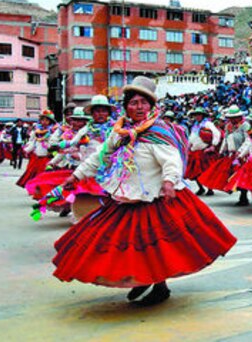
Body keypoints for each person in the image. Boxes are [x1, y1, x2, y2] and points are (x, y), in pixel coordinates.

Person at [54, 76, 236, 305]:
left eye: (143, 102)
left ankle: (158, 286)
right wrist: (76, 175)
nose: (139, 107)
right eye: (134, 103)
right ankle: (143, 279)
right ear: (126, 106)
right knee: (126, 245)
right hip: (126, 197)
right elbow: (100, 157)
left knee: (156, 246)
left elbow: (171, 160)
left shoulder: (158, 131)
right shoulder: (120, 131)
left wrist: (169, 182)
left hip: (155, 197)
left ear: (151, 105)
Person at [196, 106, 248, 199]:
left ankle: (243, 196)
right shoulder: (229, 126)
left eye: (234, 117)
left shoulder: (245, 126)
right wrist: (221, 151)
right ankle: (239, 193)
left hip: (243, 153)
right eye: (231, 117)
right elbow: (225, 139)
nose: (232, 119)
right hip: (231, 153)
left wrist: (241, 152)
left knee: (242, 175)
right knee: (231, 174)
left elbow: (248, 140)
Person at [16, 110, 60, 188]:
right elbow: (32, 143)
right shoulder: (36, 132)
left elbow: (55, 144)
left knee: (45, 174)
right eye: (42, 120)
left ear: (50, 121)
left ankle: (42, 188)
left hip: (47, 156)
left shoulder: (54, 131)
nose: (44, 122)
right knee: (34, 173)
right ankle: (35, 188)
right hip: (37, 156)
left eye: (46, 120)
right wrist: (26, 150)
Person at [186, 107, 221, 196]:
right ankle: (201, 188)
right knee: (194, 171)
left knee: (206, 171)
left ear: (202, 115)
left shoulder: (208, 124)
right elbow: (192, 136)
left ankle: (210, 189)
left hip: (204, 151)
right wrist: (189, 146)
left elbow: (217, 133)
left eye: (199, 115)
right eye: (196, 115)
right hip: (195, 151)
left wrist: (213, 145)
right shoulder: (195, 125)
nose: (197, 116)